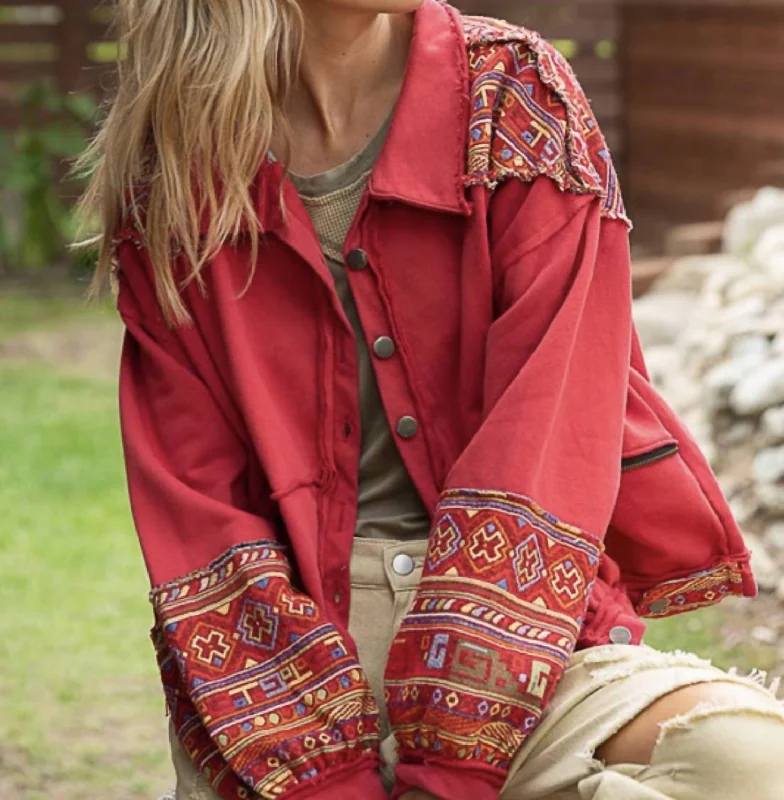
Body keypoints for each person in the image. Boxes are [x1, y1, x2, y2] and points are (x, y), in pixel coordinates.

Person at [73, 1, 784, 798]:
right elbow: (198, 505)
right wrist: (323, 777)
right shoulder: (172, 165)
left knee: (746, 765)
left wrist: (452, 763)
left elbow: (548, 441)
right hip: (291, 670)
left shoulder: (514, 95)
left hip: (531, 648)